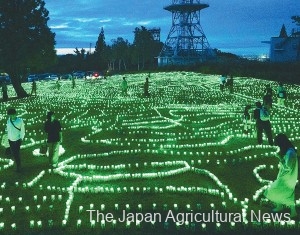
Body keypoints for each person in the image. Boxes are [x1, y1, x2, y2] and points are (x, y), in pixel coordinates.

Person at [264, 133, 298, 218]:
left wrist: (280, 158)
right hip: (286, 176)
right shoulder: (289, 151)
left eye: (279, 145)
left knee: (275, 189)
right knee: (284, 191)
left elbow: (289, 167)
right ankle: (280, 206)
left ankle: (292, 212)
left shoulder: (290, 153)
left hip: (287, 177)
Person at [6, 108, 25, 172]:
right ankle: (18, 164)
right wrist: (8, 137)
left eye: (12, 115)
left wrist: (21, 138)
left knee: (16, 153)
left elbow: (22, 130)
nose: (11, 116)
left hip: (17, 140)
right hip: (10, 140)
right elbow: (8, 129)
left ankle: (18, 166)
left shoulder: (20, 121)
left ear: (15, 114)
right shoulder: (8, 120)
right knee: (14, 153)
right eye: (10, 115)